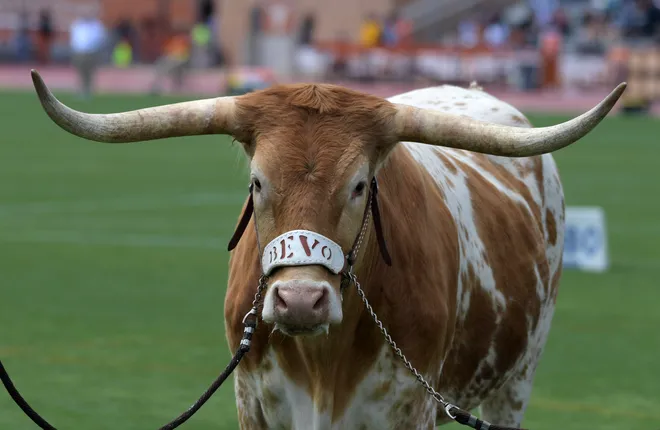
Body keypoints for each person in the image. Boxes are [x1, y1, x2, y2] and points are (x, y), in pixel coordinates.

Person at [70, 7, 107, 99]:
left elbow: (100, 38)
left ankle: (89, 91)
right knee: (80, 72)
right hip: (79, 52)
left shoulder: (96, 25)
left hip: (91, 52)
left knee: (90, 72)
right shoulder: (77, 25)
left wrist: (95, 49)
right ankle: (80, 91)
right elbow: (74, 38)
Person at [150, 28, 191, 95]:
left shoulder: (183, 43)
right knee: (171, 74)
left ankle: (159, 87)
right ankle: (158, 87)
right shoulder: (175, 42)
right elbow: (167, 52)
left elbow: (183, 55)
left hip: (177, 62)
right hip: (174, 62)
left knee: (175, 75)